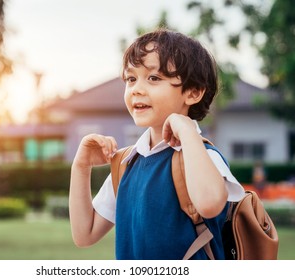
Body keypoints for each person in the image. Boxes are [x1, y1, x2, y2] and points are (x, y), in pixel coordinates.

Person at [69, 28, 245, 260]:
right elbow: (85, 234)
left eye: (154, 78)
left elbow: (210, 204)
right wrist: (80, 167)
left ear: (193, 92)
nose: (137, 89)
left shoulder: (202, 156)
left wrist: (187, 130)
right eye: (131, 79)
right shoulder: (125, 164)